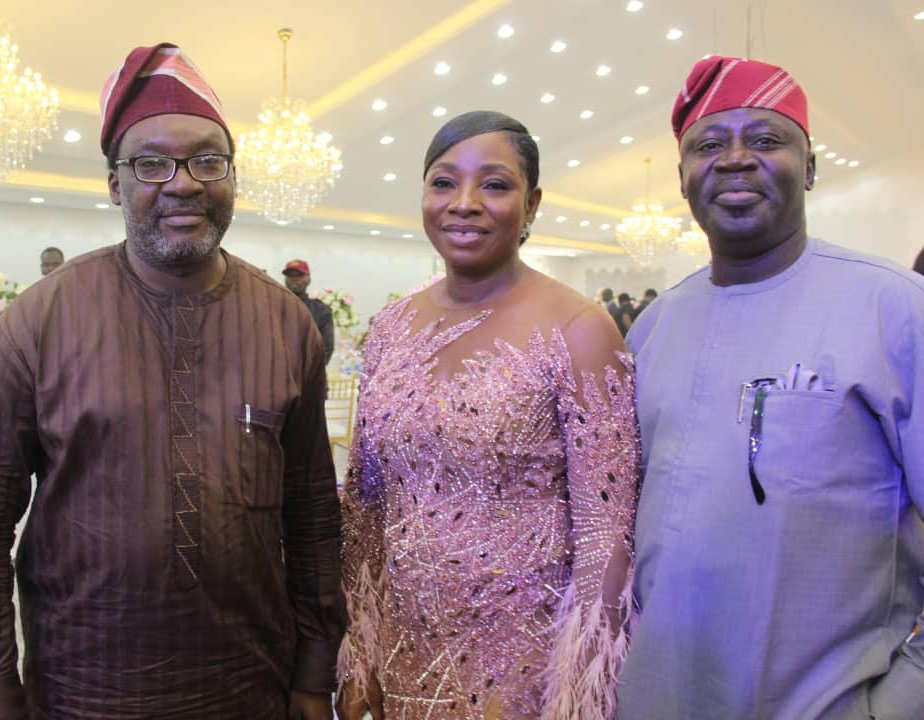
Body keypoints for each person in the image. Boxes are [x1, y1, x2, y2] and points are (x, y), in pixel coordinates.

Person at [0, 43, 345, 720]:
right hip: (83, 687)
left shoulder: (284, 323)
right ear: (114, 184)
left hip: (252, 683)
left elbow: (311, 515)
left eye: (207, 160)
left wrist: (314, 667)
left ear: (233, 177)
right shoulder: (39, 319)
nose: (182, 183)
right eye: (150, 164)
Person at [617, 56, 924, 719]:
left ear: (809, 167)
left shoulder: (896, 309)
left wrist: (902, 701)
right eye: (708, 144)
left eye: (764, 139)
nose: (734, 159)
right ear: (681, 178)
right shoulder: (654, 326)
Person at [336, 110, 640, 719]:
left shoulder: (579, 328)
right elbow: (366, 502)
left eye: (495, 185)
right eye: (443, 182)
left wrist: (582, 688)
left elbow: (607, 533)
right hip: (407, 646)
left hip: (528, 661)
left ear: (532, 205)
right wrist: (360, 645)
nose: (464, 203)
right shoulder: (392, 328)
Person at [283, 259, 335, 364]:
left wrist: (307, 373)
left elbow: (326, 348)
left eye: (299, 275)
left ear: (308, 280)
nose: (294, 279)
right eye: (290, 276)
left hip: (307, 376)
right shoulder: (274, 306)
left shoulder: (321, 311)